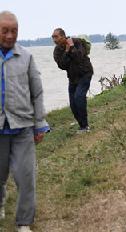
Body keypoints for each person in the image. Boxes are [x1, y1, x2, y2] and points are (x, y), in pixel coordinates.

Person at [0, 11, 50, 232]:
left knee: (25, 175)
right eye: (5, 31)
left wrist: (39, 123)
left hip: (22, 128)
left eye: (14, 31)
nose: (10, 36)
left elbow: (37, 93)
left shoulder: (27, 57)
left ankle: (24, 222)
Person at [52, 28, 93, 133]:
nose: (54, 39)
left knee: (79, 97)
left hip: (85, 74)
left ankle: (85, 127)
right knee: (73, 104)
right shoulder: (57, 51)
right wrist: (66, 51)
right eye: (53, 37)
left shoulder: (77, 42)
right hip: (72, 78)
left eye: (56, 37)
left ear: (63, 36)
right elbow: (62, 65)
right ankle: (82, 126)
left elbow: (79, 57)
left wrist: (72, 47)